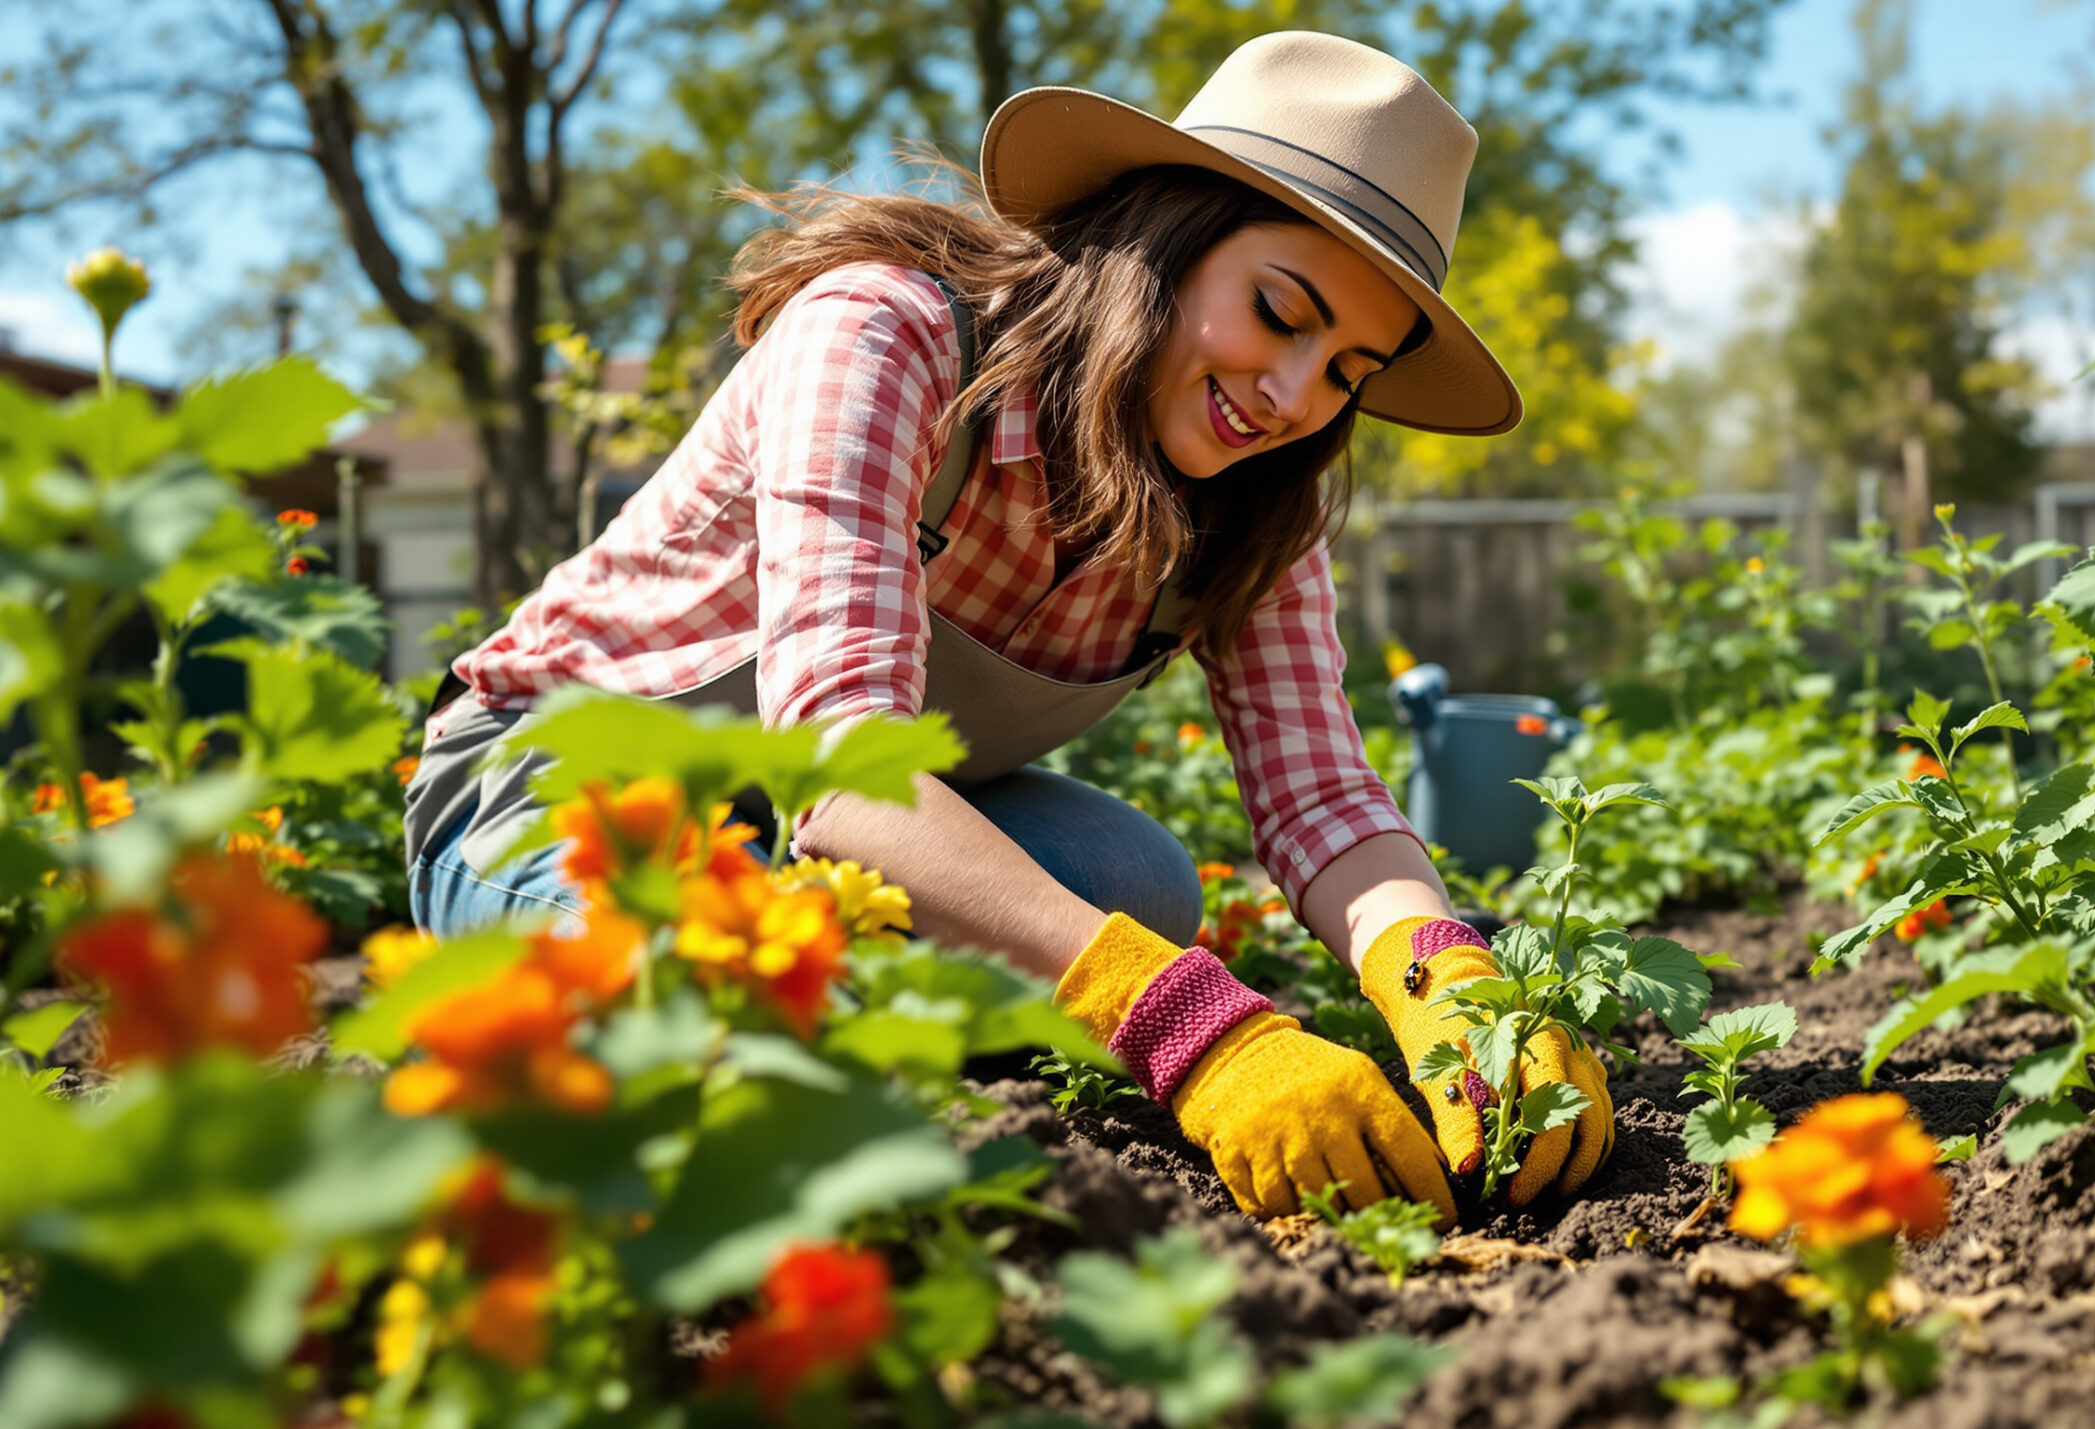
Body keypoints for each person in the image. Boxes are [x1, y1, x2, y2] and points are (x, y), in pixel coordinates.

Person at [401, 32, 1612, 1225]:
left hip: (813, 832)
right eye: (1279, 311)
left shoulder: (1255, 511)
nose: (1294, 398)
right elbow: (842, 755)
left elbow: (1320, 799)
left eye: (1348, 369)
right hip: (571, 778)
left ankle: (810, 991)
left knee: (1138, 886)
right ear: (1167, 236)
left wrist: (1447, 976)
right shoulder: (886, 338)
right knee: (662, 1010)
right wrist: (1190, 1028)